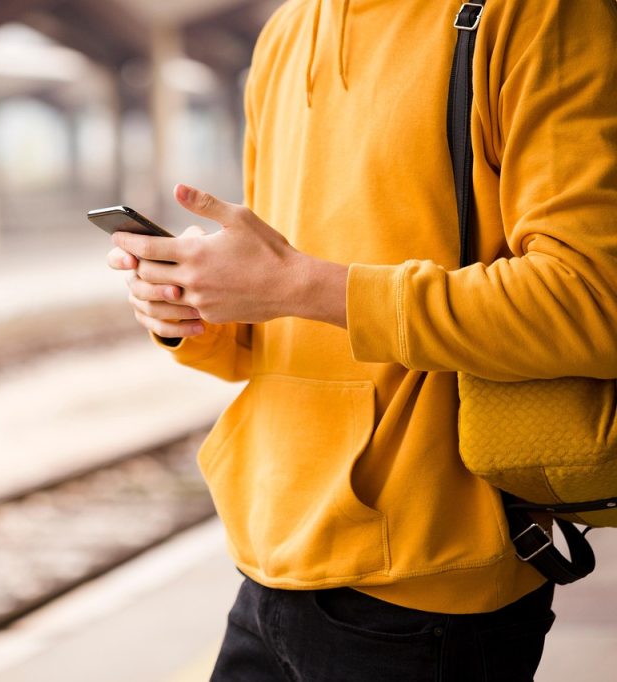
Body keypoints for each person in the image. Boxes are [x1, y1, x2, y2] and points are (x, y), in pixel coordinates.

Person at [106, 0, 617, 679]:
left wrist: (297, 285)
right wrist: (193, 309)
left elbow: (590, 301)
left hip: (428, 577)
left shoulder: (538, 14)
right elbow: (287, 305)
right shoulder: (286, 31)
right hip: (268, 551)